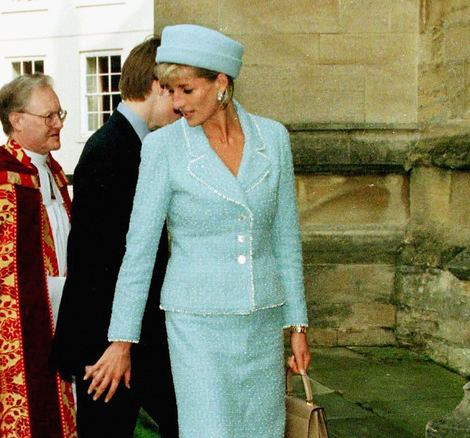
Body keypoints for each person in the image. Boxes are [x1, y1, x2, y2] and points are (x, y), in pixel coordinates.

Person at [85, 24, 311, 437]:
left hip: (262, 319)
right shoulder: (163, 148)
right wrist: (122, 340)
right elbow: (139, 250)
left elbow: (285, 238)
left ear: (220, 83)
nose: (175, 102)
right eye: (169, 90)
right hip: (197, 325)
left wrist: (297, 325)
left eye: (185, 90)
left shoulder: (273, 138)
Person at [50, 37, 180, 437]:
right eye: (179, 92)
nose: (182, 108)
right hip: (107, 344)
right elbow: (98, 262)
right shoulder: (112, 149)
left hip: (127, 336)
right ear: (159, 86)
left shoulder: (131, 143)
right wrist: (116, 346)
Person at [0, 74, 77, 437]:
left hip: (64, 318)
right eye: (49, 116)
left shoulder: (53, 173)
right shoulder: (0, 186)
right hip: (20, 337)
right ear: (17, 121)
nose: (58, 123)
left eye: (59, 113)